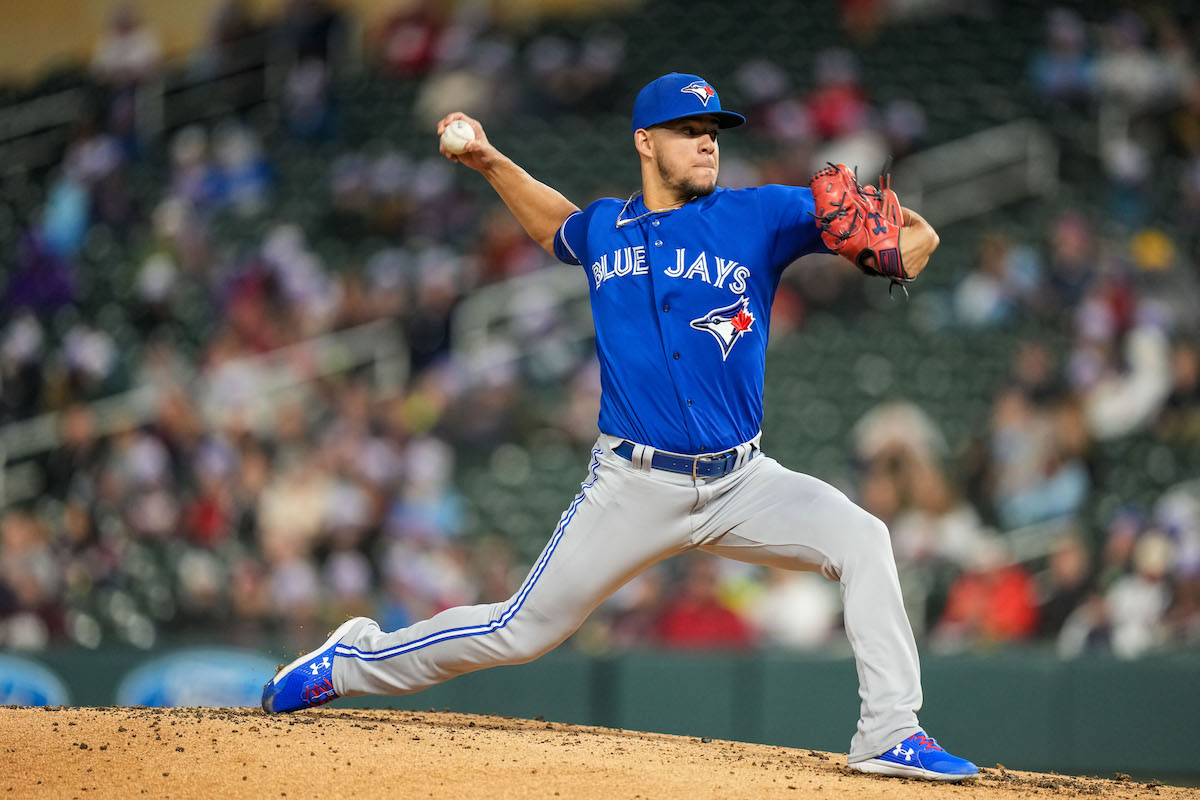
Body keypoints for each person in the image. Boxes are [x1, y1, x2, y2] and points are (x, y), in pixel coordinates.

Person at [261, 72, 978, 781]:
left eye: (713, 133)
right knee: (519, 630)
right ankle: (350, 661)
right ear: (645, 142)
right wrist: (488, 161)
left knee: (865, 537)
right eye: (689, 132)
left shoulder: (761, 214)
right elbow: (554, 228)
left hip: (743, 480)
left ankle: (890, 732)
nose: (707, 144)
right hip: (634, 483)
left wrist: (908, 241)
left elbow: (911, 241)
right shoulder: (606, 227)